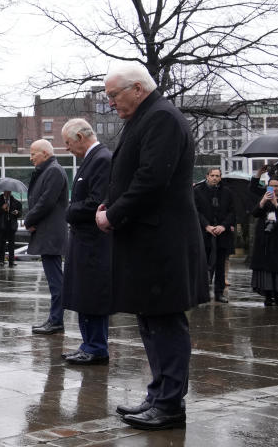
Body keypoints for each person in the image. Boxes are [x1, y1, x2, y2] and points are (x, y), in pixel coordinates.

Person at [94, 63, 208, 431]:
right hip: (150, 240)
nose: (110, 103)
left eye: (114, 95)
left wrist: (113, 215)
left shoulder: (161, 118)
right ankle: (159, 395)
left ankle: (170, 404)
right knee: (151, 320)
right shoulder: (148, 116)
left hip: (162, 243)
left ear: (138, 88)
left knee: (165, 321)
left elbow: (151, 180)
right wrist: (111, 206)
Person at [60, 118, 112, 365]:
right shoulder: (93, 159)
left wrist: (70, 211)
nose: (67, 148)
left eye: (68, 143)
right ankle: (88, 344)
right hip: (84, 240)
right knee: (84, 295)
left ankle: (96, 347)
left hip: (94, 242)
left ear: (80, 137)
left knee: (91, 295)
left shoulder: (101, 159)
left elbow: (98, 202)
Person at [24, 139, 68, 335]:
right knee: (54, 280)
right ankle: (55, 319)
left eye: (33, 153)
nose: (31, 157)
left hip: (51, 235)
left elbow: (45, 202)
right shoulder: (49, 171)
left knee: (56, 281)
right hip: (47, 233)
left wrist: (28, 219)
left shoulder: (53, 171)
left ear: (45, 153)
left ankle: (56, 320)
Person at [193, 168, 236, 303]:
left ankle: (219, 293)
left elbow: (232, 212)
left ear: (220, 177)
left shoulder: (227, 192)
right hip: (204, 234)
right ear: (207, 176)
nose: (215, 178)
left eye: (217, 176)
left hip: (222, 233)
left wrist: (223, 226)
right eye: (212, 175)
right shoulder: (197, 191)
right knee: (202, 264)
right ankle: (201, 292)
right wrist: (206, 226)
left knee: (220, 265)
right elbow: (196, 211)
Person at [249, 176, 278, 306]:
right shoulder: (265, 197)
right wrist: (262, 202)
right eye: (270, 186)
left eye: (276, 186)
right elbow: (255, 213)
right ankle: (268, 296)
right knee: (265, 267)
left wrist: (276, 204)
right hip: (265, 238)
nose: (273, 189)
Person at [0, 190, 21, 266]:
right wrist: (2, 208)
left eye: (10, 191)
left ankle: (11, 261)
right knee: (2, 243)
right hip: (1, 226)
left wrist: (17, 213)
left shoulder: (15, 202)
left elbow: (20, 212)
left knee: (11, 244)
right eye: (7, 192)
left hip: (11, 225)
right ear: (4, 192)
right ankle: (1, 260)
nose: (8, 193)